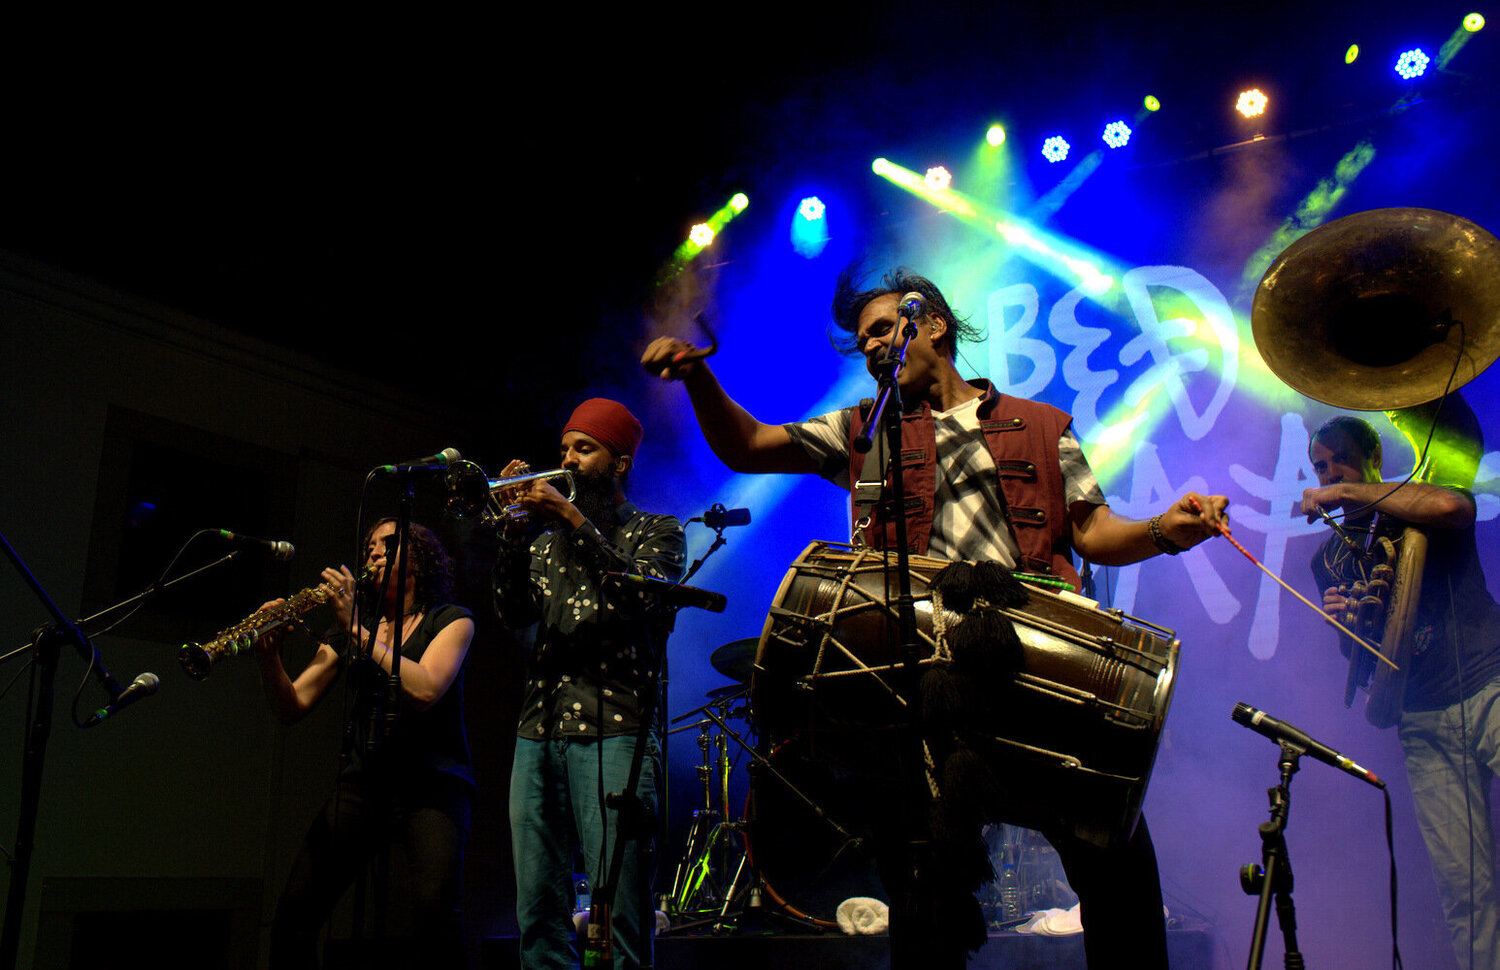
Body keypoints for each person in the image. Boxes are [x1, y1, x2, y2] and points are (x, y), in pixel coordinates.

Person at [642, 266, 1229, 970]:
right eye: (863, 341)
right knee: (920, 888)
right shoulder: (865, 429)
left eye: (885, 328)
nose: (872, 348)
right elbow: (749, 447)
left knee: (1115, 867)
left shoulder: (1040, 426)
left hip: (1031, 654)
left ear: (936, 325)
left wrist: (1165, 528)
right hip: (924, 677)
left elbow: (1094, 531)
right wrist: (699, 379)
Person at [1304, 413, 1500, 970]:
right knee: (1464, 890)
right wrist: (1345, 628)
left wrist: (1343, 490)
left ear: (1373, 459)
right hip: (1422, 720)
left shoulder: (1413, 498)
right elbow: (1360, 663)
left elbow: (1454, 510)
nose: (1329, 474)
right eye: (1320, 467)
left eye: (1340, 460)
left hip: (1490, 683)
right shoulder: (1329, 558)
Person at [495, 398, 686, 970]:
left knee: (621, 913)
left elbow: (638, 597)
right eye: (563, 450)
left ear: (620, 462)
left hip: (616, 729)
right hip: (538, 728)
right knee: (538, 914)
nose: (567, 461)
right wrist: (512, 531)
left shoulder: (658, 531)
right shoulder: (544, 542)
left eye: (584, 449)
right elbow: (512, 613)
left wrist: (572, 519)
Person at [254, 518, 476, 969]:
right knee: (295, 914)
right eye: (369, 547)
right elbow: (293, 704)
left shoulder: (451, 621)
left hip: (432, 785)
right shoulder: (354, 628)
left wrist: (357, 630)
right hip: (364, 781)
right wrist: (269, 657)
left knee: (436, 916)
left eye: (387, 545)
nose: (373, 554)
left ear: (420, 558)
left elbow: (426, 688)